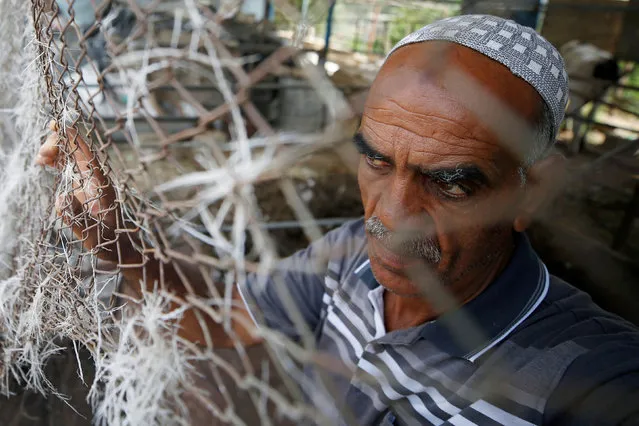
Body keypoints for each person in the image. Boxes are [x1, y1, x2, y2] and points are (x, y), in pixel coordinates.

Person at [37, 15, 639, 426]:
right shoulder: (350, 256)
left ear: (529, 192)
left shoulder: (590, 377)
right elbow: (224, 322)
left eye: (451, 182)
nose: (392, 216)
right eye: (376, 161)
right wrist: (121, 240)